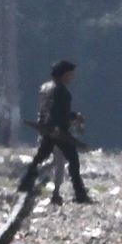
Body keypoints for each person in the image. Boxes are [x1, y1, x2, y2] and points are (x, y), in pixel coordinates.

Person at [18, 60, 89, 203]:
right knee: (73, 160)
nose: (73, 78)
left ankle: (26, 183)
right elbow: (60, 113)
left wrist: (73, 116)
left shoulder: (46, 88)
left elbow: (49, 110)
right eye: (71, 75)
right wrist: (61, 126)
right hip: (59, 131)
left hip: (46, 128)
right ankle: (80, 194)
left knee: (40, 157)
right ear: (65, 75)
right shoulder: (62, 92)